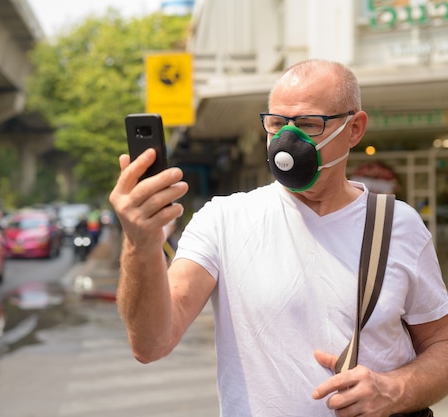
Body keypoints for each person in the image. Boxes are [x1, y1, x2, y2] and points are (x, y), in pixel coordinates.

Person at [109, 59, 448, 416]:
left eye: (307, 124)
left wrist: (395, 389)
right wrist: (140, 243)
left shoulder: (398, 225)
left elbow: (441, 344)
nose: (288, 141)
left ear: (354, 129)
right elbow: (150, 343)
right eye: (276, 123)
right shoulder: (223, 220)